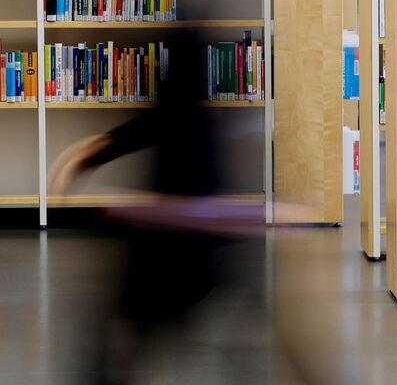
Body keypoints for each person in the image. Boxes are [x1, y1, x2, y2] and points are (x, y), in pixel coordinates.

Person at [48, 28, 262, 385]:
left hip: (166, 264)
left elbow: (121, 140)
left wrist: (79, 166)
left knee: (117, 324)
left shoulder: (168, 121)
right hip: (199, 264)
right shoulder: (205, 124)